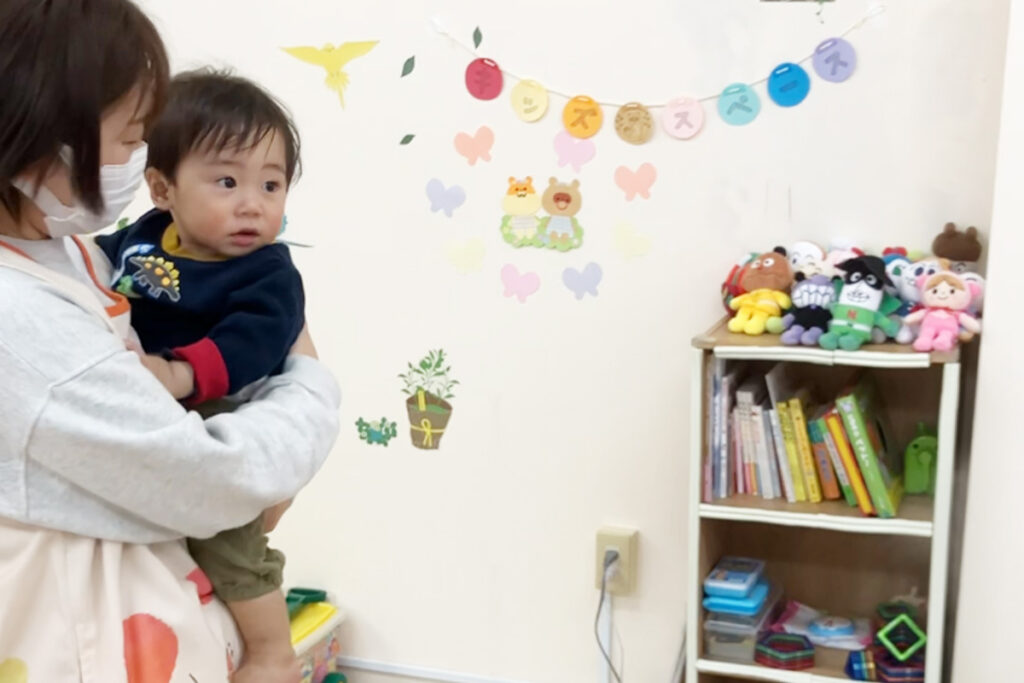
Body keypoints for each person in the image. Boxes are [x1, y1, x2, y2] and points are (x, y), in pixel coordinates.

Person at [0, 2, 339, 680]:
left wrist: (268, 443)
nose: (137, 160)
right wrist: (310, 389)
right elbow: (214, 482)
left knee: (243, 555)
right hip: (91, 642)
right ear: (41, 133)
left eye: (271, 184)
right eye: (131, 137)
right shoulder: (24, 317)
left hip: (166, 603)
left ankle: (268, 645)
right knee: (240, 545)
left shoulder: (69, 251)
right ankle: (271, 650)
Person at [96, 69, 312, 682]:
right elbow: (92, 269)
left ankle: (272, 650)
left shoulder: (267, 272)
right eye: (227, 181)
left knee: (230, 541)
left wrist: (180, 374)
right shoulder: (141, 238)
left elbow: (254, 342)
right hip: (147, 408)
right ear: (163, 188)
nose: (253, 204)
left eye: (271, 184)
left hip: (222, 406)